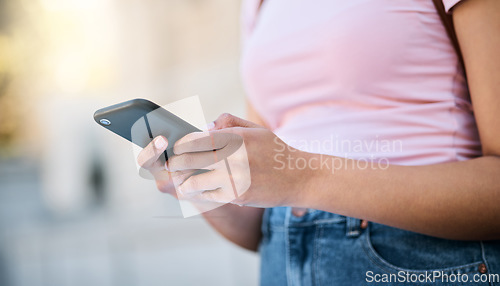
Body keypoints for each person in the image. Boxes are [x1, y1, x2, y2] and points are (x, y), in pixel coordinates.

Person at [137, 0, 500, 284]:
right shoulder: (258, 3)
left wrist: (302, 176)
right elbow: (258, 224)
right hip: (284, 258)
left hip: (418, 258)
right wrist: (198, 185)